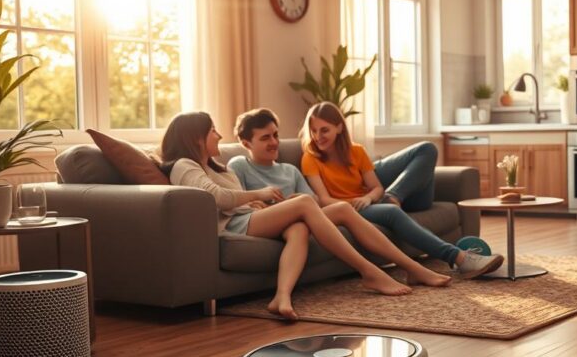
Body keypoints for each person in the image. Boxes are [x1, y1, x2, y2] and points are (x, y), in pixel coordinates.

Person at [159, 111, 451, 321]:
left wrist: (261, 203)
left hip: (250, 218)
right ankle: (370, 272)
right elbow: (218, 198)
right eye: (212, 131)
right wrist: (260, 195)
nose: (218, 136)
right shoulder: (184, 165)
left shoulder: (216, 165)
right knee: (306, 207)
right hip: (235, 226)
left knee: (327, 215)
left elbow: (233, 198)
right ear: (195, 136)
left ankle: (281, 296)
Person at [298, 102, 503, 278]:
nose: (317, 136)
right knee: (392, 211)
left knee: (427, 149)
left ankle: (394, 195)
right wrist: (354, 205)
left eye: (324, 130)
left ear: (339, 127)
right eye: (313, 131)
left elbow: (376, 187)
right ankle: (459, 257)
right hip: (350, 209)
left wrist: (370, 197)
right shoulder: (310, 157)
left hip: (369, 202)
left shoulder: (356, 151)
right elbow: (324, 200)